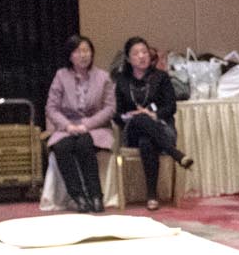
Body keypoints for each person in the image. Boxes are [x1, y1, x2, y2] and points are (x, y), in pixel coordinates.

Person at [113, 35, 192, 210]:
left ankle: (152, 196)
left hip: (160, 127)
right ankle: (176, 154)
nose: (141, 56)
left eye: (144, 52)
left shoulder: (161, 77)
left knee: (146, 141)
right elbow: (117, 114)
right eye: (136, 53)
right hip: (132, 131)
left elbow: (171, 107)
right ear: (128, 59)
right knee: (140, 119)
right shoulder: (122, 81)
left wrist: (153, 115)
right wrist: (131, 115)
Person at [46, 34, 116, 212]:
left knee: (84, 144)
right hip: (67, 127)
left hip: (95, 128)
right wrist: (68, 126)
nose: (83, 55)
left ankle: (96, 195)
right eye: (78, 51)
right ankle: (78, 196)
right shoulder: (61, 76)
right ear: (70, 56)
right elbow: (51, 108)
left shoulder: (103, 77)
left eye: (86, 51)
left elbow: (109, 108)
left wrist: (87, 125)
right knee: (62, 147)